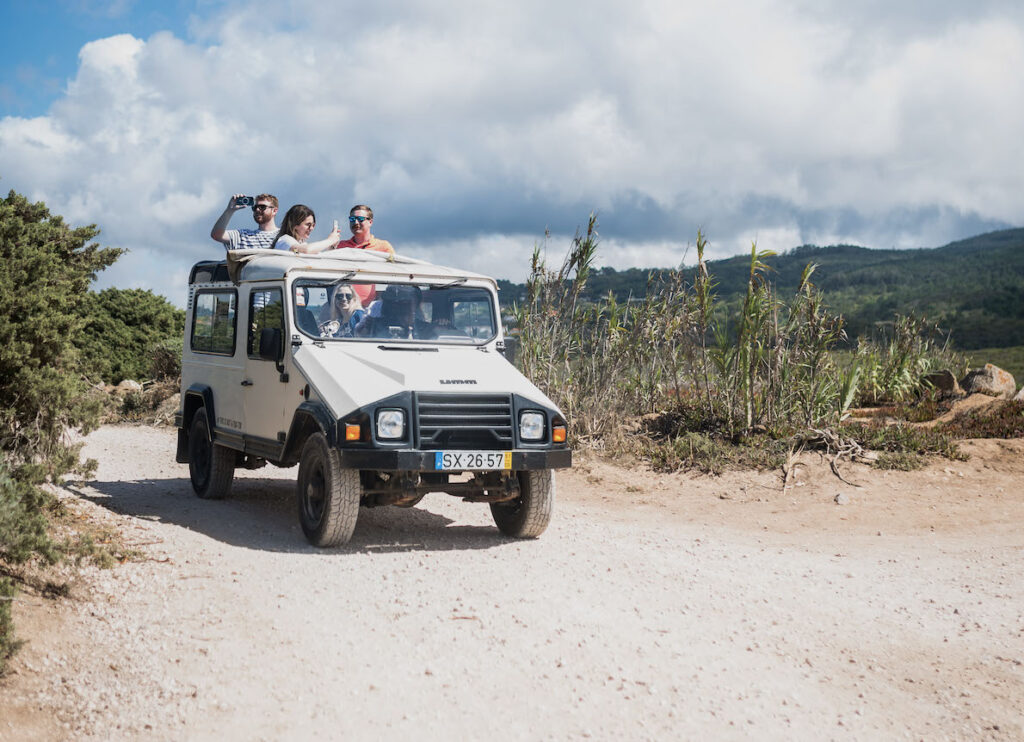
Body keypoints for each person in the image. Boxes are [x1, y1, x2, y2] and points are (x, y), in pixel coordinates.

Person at [333, 204, 394, 303]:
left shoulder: (383, 247)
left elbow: (396, 274)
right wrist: (331, 245)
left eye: (360, 219)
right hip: (343, 306)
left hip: (369, 308)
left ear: (370, 222)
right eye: (352, 219)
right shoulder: (341, 246)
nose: (355, 222)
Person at [210, 193, 280, 250]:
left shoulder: (284, 235)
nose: (257, 210)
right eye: (255, 207)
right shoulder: (243, 236)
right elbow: (216, 235)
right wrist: (229, 210)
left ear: (274, 211)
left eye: (262, 207)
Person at [271, 204, 342, 254]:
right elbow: (304, 251)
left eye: (313, 225)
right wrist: (330, 240)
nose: (311, 228)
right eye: (308, 225)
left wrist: (331, 246)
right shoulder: (285, 241)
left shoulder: (301, 244)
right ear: (295, 224)